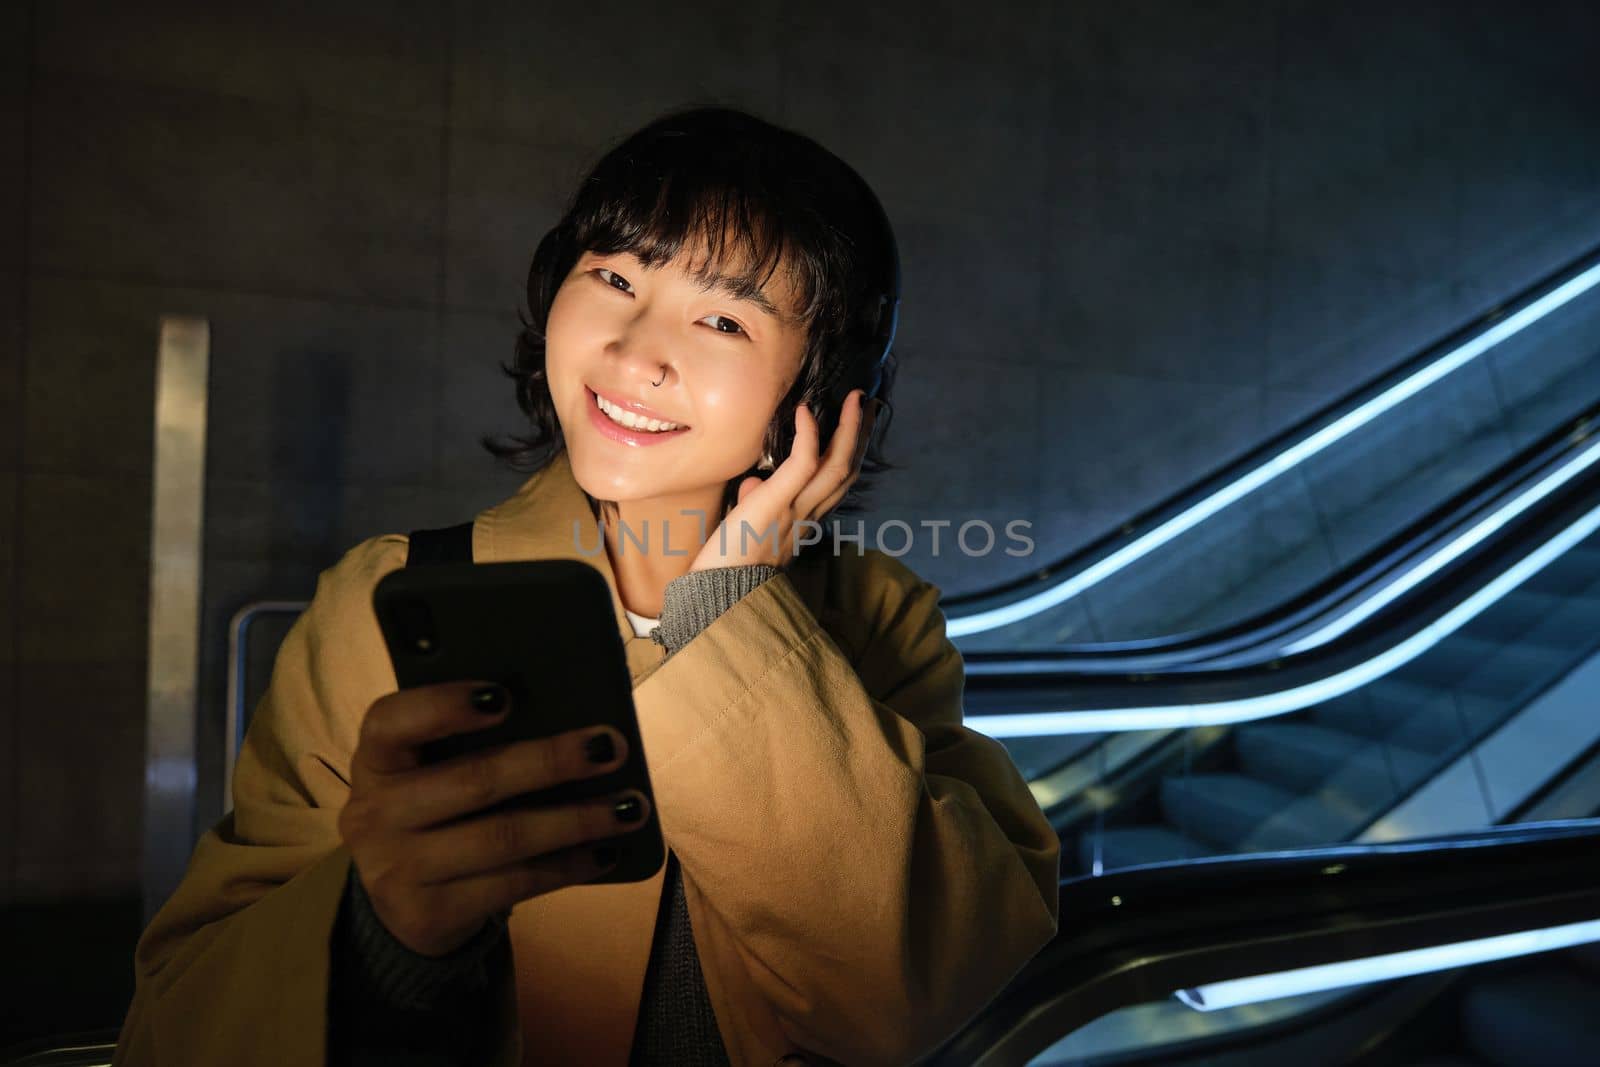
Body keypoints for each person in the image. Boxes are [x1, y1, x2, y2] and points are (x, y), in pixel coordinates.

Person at [112, 105, 1061, 1067]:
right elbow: (179, 1023)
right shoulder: (388, 599)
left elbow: (904, 988)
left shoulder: (879, 620)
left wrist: (724, 606)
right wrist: (380, 929)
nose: (636, 351)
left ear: (823, 396)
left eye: (724, 319)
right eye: (614, 276)